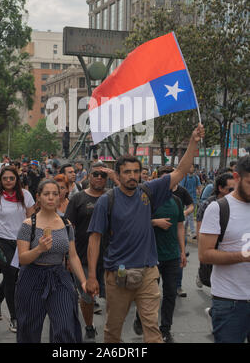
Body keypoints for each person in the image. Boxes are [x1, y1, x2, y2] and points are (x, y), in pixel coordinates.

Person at [86, 124, 205, 343]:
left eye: (135, 172)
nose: (132, 176)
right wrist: (92, 276)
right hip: (117, 274)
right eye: (126, 172)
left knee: (152, 328)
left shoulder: (149, 191)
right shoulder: (106, 201)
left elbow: (179, 172)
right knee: (113, 330)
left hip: (148, 273)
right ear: (118, 175)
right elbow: (94, 239)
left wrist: (193, 141)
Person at [15, 179, 87, 343]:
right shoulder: (28, 224)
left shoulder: (65, 224)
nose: (51, 198)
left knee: (64, 326)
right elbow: (22, 258)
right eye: (46, 194)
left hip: (59, 277)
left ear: (60, 197)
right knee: (29, 328)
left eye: (55, 194)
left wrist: (83, 282)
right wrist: (39, 249)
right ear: (38, 197)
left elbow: (73, 256)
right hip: (32, 277)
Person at [198, 155, 250, 343]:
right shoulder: (219, 208)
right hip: (230, 302)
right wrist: (244, 256)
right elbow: (205, 254)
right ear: (236, 177)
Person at [133, 165, 187, 343]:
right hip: (151, 256)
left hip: (171, 256)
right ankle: (140, 317)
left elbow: (180, 226)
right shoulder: (148, 201)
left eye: (171, 180)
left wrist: (182, 251)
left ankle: (165, 329)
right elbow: (135, 224)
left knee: (170, 293)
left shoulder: (177, 201)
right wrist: (154, 222)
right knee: (149, 295)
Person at [65, 163, 118, 342]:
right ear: (88, 175)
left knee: (115, 298)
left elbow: (131, 197)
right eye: (96, 174)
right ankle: (89, 325)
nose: (99, 178)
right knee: (87, 297)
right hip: (83, 257)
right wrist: (68, 256)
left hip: (112, 257)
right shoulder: (78, 199)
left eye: (104, 175)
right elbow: (68, 228)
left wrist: (116, 178)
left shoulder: (114, 197)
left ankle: (112, 332)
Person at [0, 166, 35, 332]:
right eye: (5, 178)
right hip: (2, 241)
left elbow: (31, 218)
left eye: (11, 178)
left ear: (17, 180)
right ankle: (14, 317)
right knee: (10, 276)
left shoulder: (26, 195)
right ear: (0, 181)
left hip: (22, 241)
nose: (8, 181)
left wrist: (31, 239)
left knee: (14, 275)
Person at [196, 172, 235, 293]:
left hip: (228, 246)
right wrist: (202, 247)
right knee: (211, 277)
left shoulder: (237, 203)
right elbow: (199, 226)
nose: (234, 192)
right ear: (221, 188)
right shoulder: (210, 204)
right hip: (213, 245)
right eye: (231, 189)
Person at [180, 165, 201, 239]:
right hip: (186, 200)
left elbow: (199, 187)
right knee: (191, 216)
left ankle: (184, 231)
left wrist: (199, 192)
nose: (192, 168)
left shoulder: (196, 177)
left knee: (188, 217)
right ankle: (193, 232)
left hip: (194, 199)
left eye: (192, 167)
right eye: (190, 167)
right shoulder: (184, 178)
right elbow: (181, 188)